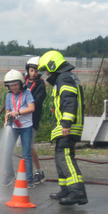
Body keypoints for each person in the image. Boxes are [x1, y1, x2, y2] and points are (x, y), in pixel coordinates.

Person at [38, 51, 88, 205]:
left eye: (47, 69)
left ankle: (78, 192)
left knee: (65, 157)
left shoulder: (64, 78)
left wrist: (66, 123)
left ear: (53, 65)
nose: (46, 72)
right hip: (67, 126)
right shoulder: (65, 77)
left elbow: (68, 100)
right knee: (61, 157)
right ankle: (66, 189)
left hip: (68, 126)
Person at [2, 69, 35, 188]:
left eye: (15, 85)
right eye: (11, 85)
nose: (13, 87)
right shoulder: (9, 96)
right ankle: (10, 174)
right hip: (14, 127)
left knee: (26, 154)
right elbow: (8, 110)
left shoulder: (27, 93)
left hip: (26, 127)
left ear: (21, 83)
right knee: (6, 151)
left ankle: (29, 179)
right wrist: (6, 121)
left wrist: (18, 112)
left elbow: (32, 108)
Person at [24, 57, 47, 184]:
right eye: (32, 70)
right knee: (24, 147)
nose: (34, 73)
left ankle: (38, 172)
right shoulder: (23, 81)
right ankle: (26, 172)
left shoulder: (40, 85)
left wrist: (24, 107)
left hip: (32, 119)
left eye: (36, 71)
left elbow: (37, 102)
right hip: (20, 119)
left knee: (29, 147)